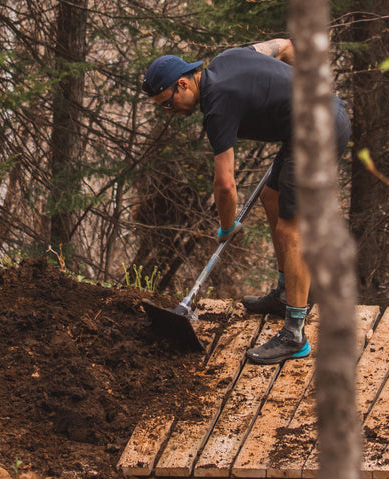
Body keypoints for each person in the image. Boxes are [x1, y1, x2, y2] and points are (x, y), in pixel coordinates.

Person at [141, 39, 351, 365]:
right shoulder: (228, 58)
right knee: (271, 197)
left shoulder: (217, 106)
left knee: (291, 229)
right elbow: (284, 46)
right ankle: (285, 295)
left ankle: (295, 335)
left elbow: (225, 186)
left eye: (167, 103)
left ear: (182, 84)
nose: (169, 112)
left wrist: (227, 226)